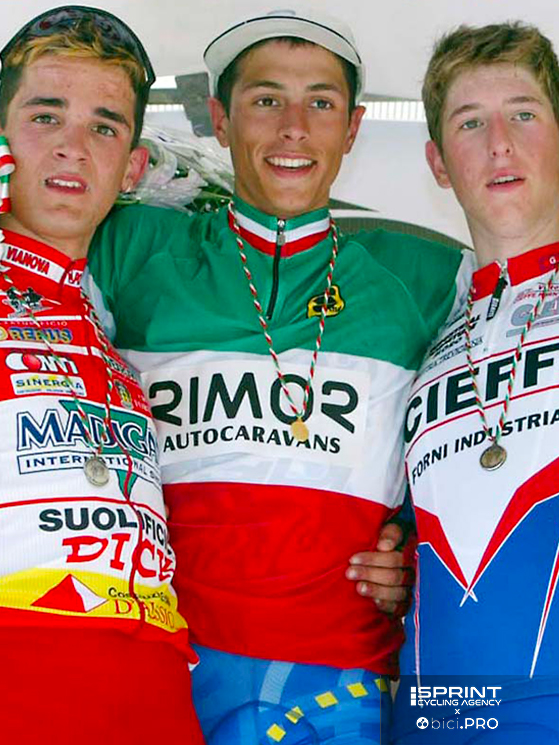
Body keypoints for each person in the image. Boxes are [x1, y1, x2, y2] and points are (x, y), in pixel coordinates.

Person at [88, 8, 467, 744]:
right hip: (162, 661)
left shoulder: (427, 274)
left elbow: (491, 412)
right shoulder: (129, 246)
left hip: (342, 679)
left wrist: (416, 545)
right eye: (266, 100)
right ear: (219, 119)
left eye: (320, 103)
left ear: (352, 128)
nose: (294, 127)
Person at [0, 7, 203, 743]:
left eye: (105, 126)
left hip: (154, 687)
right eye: (45, 117)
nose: (73, 147)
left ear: (132, 168)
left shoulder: (109, 338)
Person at [387, 21, 559, 745]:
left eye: (523, 114)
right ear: (437, 161)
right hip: (432, 710)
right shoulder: (431, 328)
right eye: (470, 122)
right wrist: (389, 551)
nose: (499, 144)